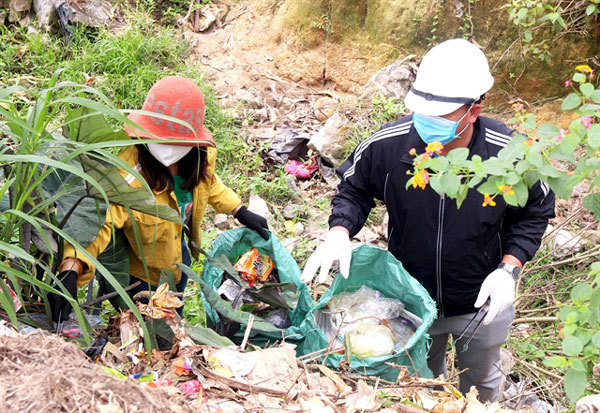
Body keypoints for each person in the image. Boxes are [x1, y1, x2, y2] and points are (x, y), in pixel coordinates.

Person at [301, 39, 555, 402]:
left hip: (481, 301)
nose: (427, 124)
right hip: (411, 300)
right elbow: (354, 189)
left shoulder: (512, 154)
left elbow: (537, 209)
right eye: (423, 111)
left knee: (480, 389)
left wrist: (509, 269)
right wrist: (339, 232)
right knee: (417, 386)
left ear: (473, 110)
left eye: (441, 115)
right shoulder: (388, 146)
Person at [49, 76, 269, 322]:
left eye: (175, 142)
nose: (168, 148)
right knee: (154, 337)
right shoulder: (126, 177)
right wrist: (72, 267)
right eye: (160, 139)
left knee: (176, 314)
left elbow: (209, 182)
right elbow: (99, 222)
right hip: (144, 277)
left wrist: (238, 209)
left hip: (179, 257)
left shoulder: (198, 155)